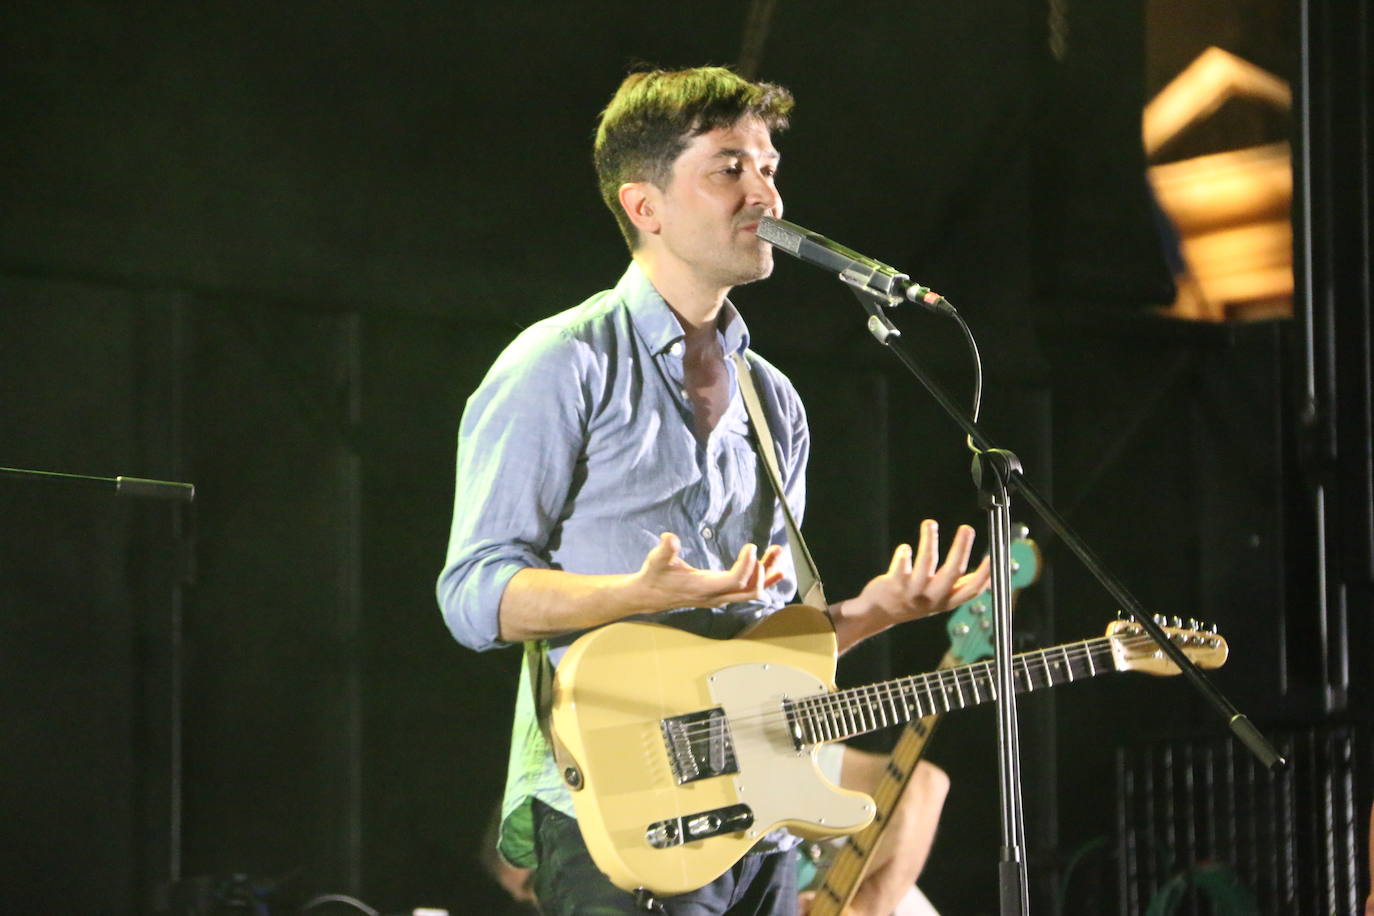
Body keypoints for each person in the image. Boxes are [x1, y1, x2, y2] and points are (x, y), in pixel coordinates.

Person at [437, 65, 989, 916]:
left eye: (768, 166)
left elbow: (764, 659)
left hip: (762, 824)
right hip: (621, 815)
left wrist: (878, 610)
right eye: (729, 167)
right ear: (644, 206)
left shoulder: (775, 402)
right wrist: (634, 593)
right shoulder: (561, 364)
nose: (764, 191)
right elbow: (473, 595)